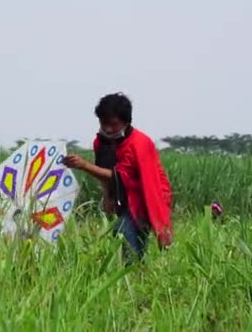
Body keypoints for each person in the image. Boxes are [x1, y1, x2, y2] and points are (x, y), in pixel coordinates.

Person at [63, 92, 173, 265]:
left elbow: (122, 176)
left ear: (126, 121)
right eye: (103, 123)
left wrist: (84, 165)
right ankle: (136, 271)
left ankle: (134, 270)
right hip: (124, 194)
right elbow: (105, 172)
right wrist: (108, 196)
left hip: (145, 194)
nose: (107, 129)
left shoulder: (139, 143)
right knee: (126, 233)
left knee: (125, 229)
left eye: (113, 124)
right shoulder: (101, 142)